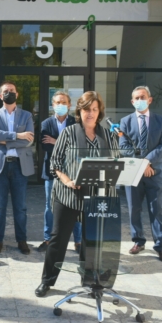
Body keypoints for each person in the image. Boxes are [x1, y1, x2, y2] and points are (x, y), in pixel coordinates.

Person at [35, 91, 119, 297]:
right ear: (79, 110)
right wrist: (66, 180)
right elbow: (54, 165)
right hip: (68, 195)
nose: (90, 113)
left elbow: (117, 164)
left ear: (99, 112)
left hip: (98, 197)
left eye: (94, 109)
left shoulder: (108, 136)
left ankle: (91, 282)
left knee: (91, 241)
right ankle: (47, 281)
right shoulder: (69, 133)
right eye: (86, 109)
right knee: (58, 240)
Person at [120, 86, 162, 262]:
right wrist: (142, 165)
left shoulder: (160, 121)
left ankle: (160, 246)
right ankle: (138, 241)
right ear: (132, 101)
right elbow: (124, 147)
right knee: (134, 208)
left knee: (157, 210)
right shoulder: (125, 121)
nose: (139, 100)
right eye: (136, 98)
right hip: (133, 172)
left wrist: (147, 161)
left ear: (149, 100)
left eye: (143, 97)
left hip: (154, 172)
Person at [0, 81, 35, 255]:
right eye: (6, 91)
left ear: (17, 94)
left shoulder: (26, 115)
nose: (9, 93)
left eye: (12, 91)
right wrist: (17, 135)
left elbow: (29, 139)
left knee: (20, 207)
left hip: (19, 166)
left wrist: (5, 138)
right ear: (0, 96)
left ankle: (21, 240)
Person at [39, 91, 82, 253]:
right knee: (50, 206)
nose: (60, 105)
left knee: (75, 206)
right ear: (53, 105)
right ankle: (48, 239)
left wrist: (56, 141)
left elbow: (79, 147)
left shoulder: (76, 123)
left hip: (73, 171)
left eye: (63, 102)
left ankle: (78, 241)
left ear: (69, 105)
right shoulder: (46, 123)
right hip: (52, 171)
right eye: (57, 102)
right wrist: (67, 144)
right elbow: (45, 147)